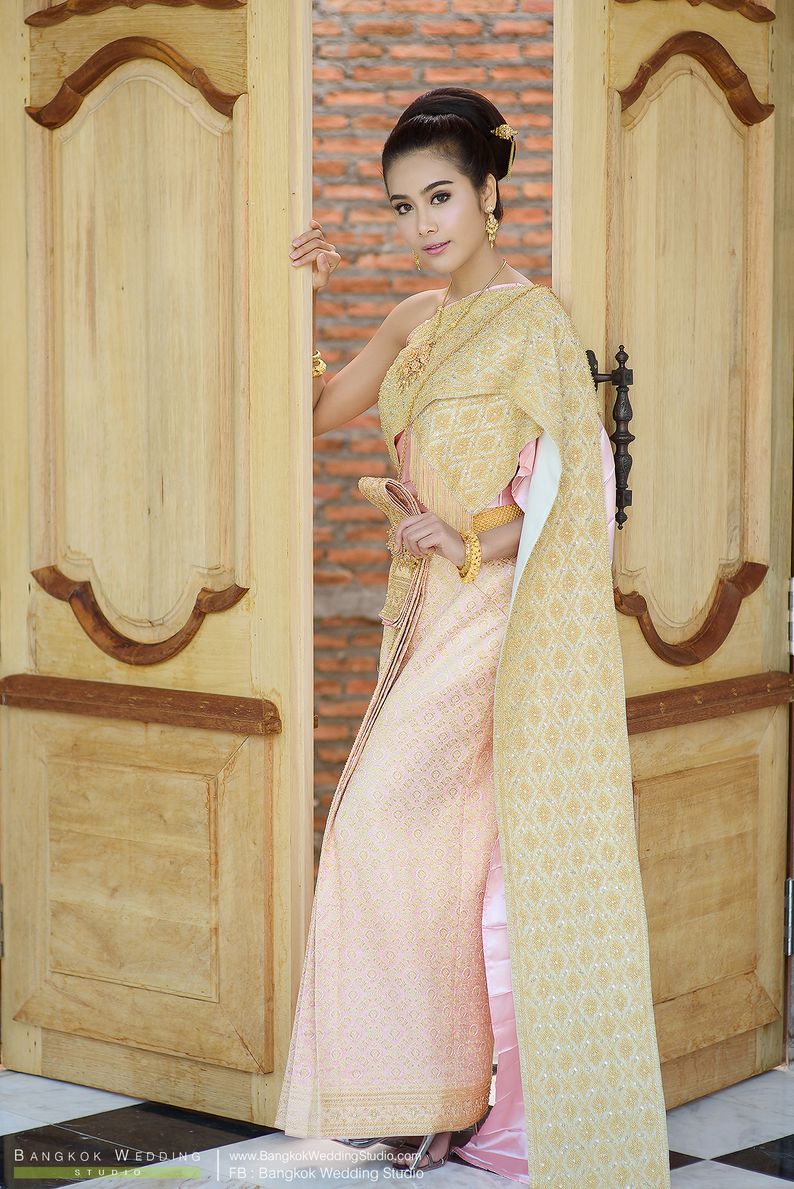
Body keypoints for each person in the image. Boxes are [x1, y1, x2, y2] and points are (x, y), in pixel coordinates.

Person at [276, 87, 671, 1187]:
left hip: (499, 616)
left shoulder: (534, 324)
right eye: (403, 206)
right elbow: (315, 414)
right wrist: (304, 296)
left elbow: (572, 493)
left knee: (379, 819)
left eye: (441, 196)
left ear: (491, 191)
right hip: (423, 611)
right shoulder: (415, 317)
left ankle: (445, 1095)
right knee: (428, 846)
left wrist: (460, 533)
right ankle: (431, 1097)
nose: (424, 224)